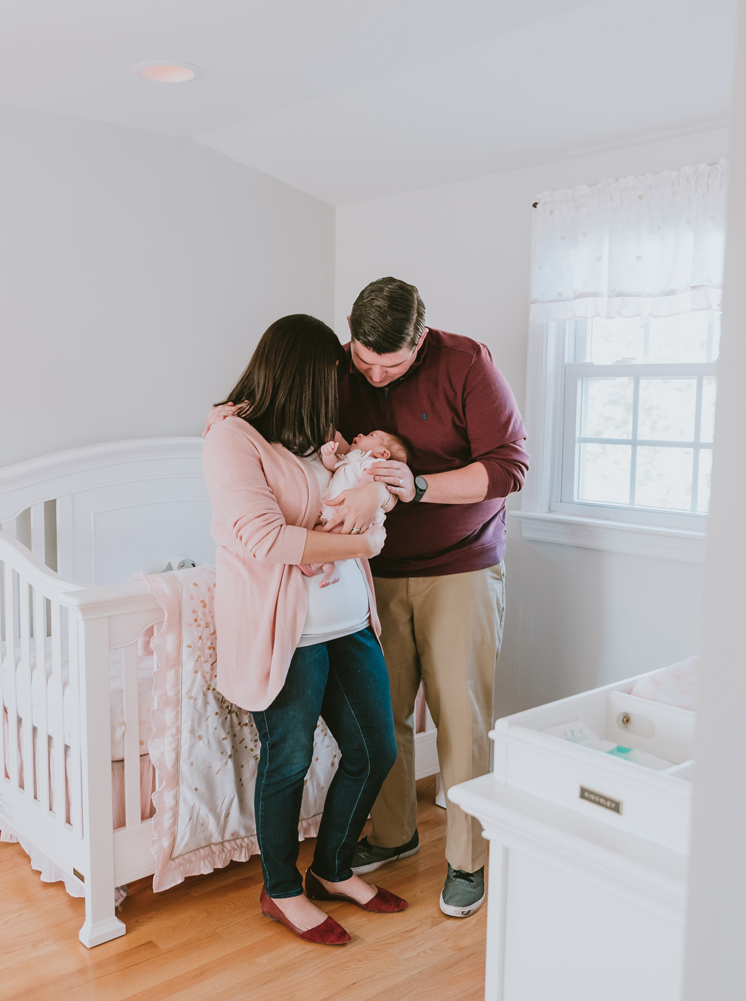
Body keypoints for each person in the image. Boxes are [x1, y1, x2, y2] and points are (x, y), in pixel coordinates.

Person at [207, 278, 527, 920]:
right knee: (387, 720)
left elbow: (509, 466)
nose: (376, 376)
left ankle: (466, 861)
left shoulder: (467, 364)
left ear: (422, 341)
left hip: (456, 566)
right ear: (350, 329)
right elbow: (288, 427)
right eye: (364, 361)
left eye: (394, 364)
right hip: (370, 581)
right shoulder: (333, 371)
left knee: (459, 717)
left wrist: (410, 487)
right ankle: (391, 835)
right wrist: (226, 411)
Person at [202, 313, 407, 946]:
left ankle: (332, 868)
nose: (338, 387)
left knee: (377, 751)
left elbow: (364, 490)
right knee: (286, 763)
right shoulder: (233, 439)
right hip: (288, 635)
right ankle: (281, 888)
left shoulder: (319, 435)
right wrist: (363, 541)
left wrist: (377, 500)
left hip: (349, 623)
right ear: (299, 374)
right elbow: (266, 539)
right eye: (331, 374)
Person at [298, 430, 410, 587]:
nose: (361, 434)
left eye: (371, 436)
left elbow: (368, 480)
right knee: (320, 531)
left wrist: (360, 495)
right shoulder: (352, 459)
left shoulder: (372, 463)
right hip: (341, 509)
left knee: (326, 534)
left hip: (353, 512)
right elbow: (333, 466)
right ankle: (329, 567)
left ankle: (314, 564)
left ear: (383, 453)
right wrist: (328, 454)